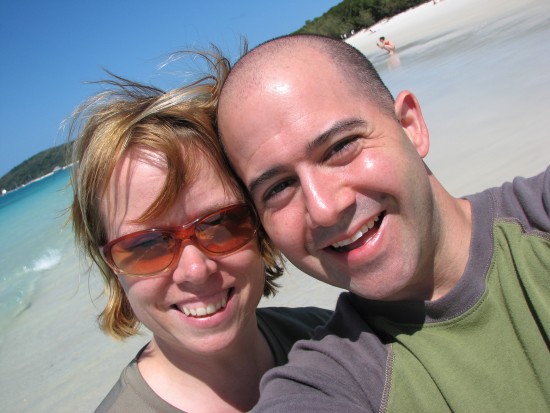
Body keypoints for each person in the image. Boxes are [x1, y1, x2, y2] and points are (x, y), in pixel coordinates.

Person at [216, 34, 550, 412]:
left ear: (411, 126)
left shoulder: (539, 220)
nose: (324, 208)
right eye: (279, 187)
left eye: (341, 147)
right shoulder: (329, 380)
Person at [68, 65, 331, 412]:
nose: (195, 269)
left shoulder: (325, 337)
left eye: (221, 222)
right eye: (146, 245)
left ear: (258, 225)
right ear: (113, 266)